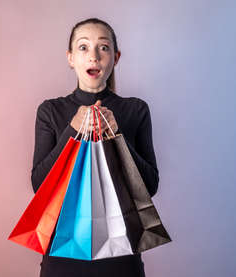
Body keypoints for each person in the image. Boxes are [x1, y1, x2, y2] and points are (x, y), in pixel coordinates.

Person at [31, 17, 160, 277]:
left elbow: (149, 186)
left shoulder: (135, 109)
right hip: (62, 253)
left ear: (116, 57)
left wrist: (117, 134)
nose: (94, 56)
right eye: (83, 47)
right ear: (70, 58)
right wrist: (72, 131)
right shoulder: (50, 111)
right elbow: (39, 186)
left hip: (122, 255)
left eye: (103, 47)